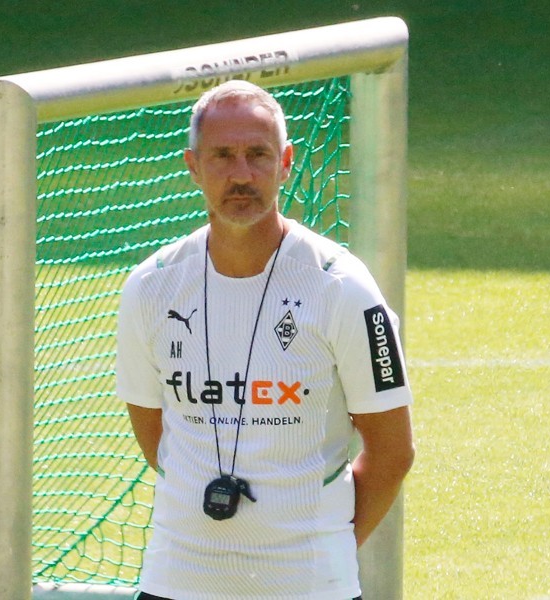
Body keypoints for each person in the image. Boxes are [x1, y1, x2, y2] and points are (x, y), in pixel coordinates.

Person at [115, 79, 415, 600]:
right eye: (222, 156)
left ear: (286, 163)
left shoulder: (343, 288)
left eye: (258, 154)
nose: (241, 174)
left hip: (308, 584)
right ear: (192, 165)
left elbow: (393, 452)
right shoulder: (150, 286)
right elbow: (156, 438)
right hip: (177, 581)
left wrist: (323, 546)